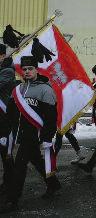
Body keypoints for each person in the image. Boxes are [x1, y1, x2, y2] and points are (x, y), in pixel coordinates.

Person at [1, 56, 60, 213]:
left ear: (36, 70)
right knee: (37, 161)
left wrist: (47, 137)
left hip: (34, 135)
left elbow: (51, 118)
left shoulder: (45, 90)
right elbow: (10, 114)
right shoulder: (18, 90)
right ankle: (53, 184)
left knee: (19, 166)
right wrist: (6, 132)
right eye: (24, 69)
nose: (27, 72)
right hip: (20, 134)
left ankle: (12, 199)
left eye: (30, 69)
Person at [0, 44, 16, 194]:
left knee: (6, 153)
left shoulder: (7, 71)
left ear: (3, 56)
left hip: (4, 117)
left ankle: (10, 183)